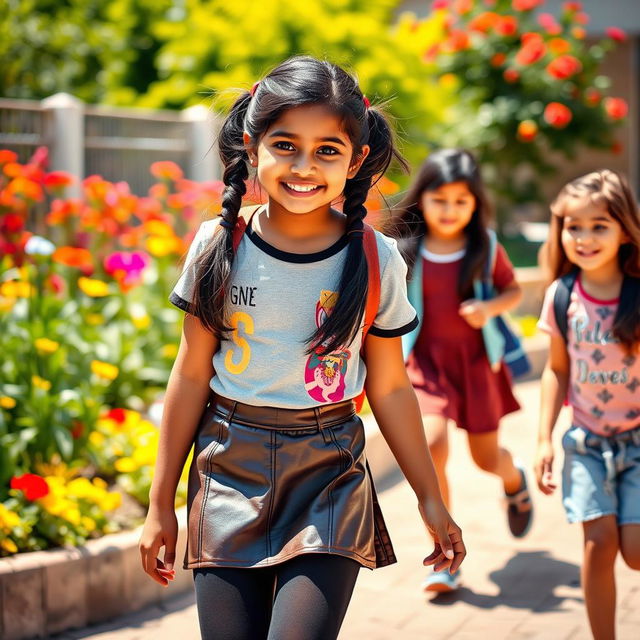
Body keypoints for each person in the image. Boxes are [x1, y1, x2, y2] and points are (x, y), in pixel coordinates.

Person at [138, 56, 465, 640]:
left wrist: (430, 498)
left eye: (327, 150)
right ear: (251, 144)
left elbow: (389, 385)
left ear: (356, 159)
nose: (304, 167)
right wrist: (160, 502)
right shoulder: (219, 244)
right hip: (226, 468)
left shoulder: (375, 258)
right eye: (285, 145)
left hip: (329, 472)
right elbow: (190, 375)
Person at [389, 148, 532, 593]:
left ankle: (515, 480)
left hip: (474, 368)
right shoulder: (404, 249)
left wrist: (489, 307)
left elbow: (512, 292)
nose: (449, 210)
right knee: (431, 446)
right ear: (422, 199)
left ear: (475, 204)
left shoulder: (484, 247)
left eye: (461, 201)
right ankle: (445, 557)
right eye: (440, 199)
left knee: (487, 459)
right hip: (424, 366)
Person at [535, 169, 640, 640]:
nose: (584, 236)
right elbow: (556, 370)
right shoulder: (562, 298)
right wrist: (543, 439)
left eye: (599, 225)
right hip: (586, 444)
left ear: (624, 229)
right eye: (573, 225)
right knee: (599, 542)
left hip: (638, 443)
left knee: (634, 552)